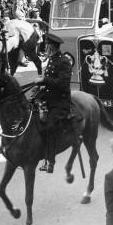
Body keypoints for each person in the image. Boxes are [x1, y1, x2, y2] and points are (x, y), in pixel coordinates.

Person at [32, 33, 72, 173]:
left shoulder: (64, 61)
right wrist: (40, 85)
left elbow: (62, 84)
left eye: (47, 45)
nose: (45, 47)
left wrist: (44, 81)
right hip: (47, 96)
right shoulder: (52, 59)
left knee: (49, 126)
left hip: (59, 101)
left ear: (52, 46)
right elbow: (50, 78)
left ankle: (50, 160)